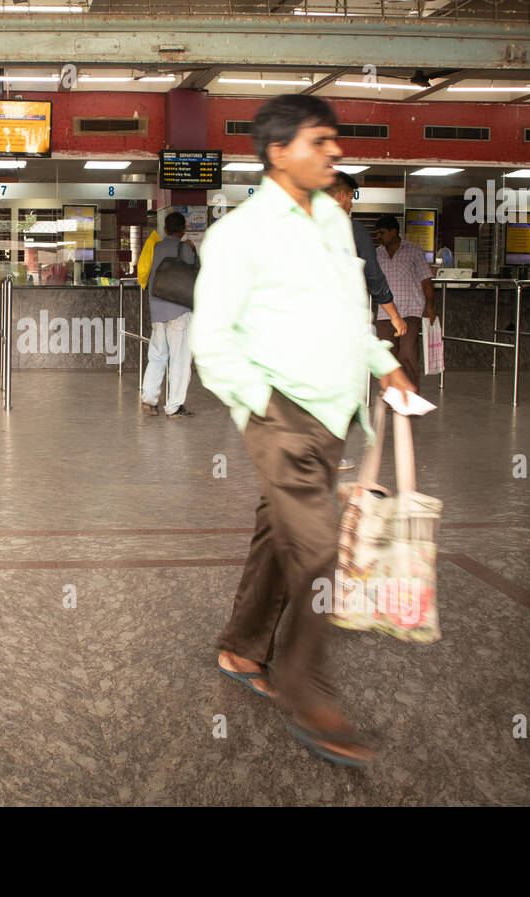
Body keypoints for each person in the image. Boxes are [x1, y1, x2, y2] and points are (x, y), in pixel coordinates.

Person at [191, 94, 415, 768]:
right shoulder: (241, 233)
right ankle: (306, 690)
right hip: (281, 415)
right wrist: (264, 405)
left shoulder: (330, 224)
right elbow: (212, 340)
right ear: (279, 151)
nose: (334, 152)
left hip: (333, 414)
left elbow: (350, 314)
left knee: (278, 533)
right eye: (320, 142)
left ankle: (241, 646)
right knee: (319, 550)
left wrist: (384, 367)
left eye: (333, 140)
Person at [326, 172, 405, 472]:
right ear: (339, 195)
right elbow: (373, 276)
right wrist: (394, 315)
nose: (351, 203)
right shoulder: (352, 230)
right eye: (349, 195)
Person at [141, 211, 198, 418]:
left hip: (157, 310)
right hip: (179, 310)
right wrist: (193, 251)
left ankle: (149, 398)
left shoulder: (155, 248)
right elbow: (194, 273)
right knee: (180, 359)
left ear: (165, 229)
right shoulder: (185, 248)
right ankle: (174, 406)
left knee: (156, 356)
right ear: (183, 229)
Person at [374, 214, 436, 393]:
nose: (379, 236)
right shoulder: (377, 254)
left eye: (382, 233)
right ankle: (392, 395)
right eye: (377, 233)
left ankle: (410, 396)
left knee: (408, 353)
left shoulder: (414, 251)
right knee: (388, 356)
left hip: (410, 312)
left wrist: (430, 307)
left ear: (394, 232)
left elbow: (426, 281)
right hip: (386, 313)